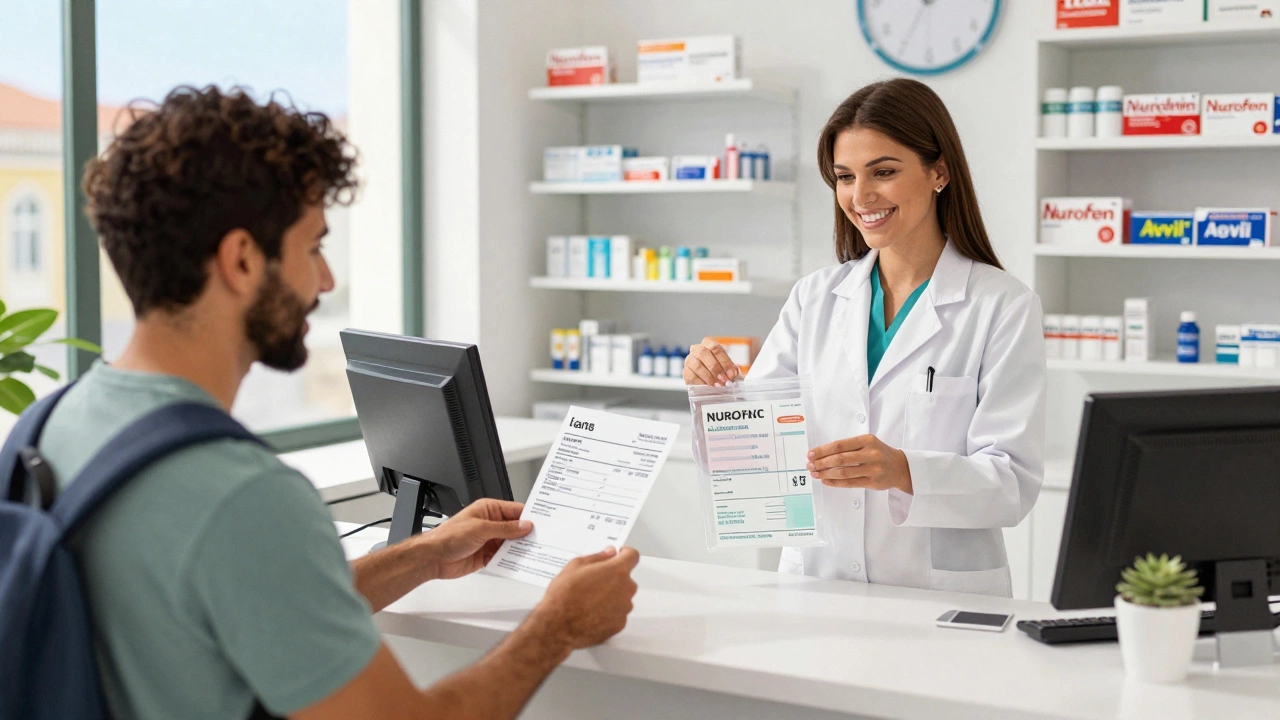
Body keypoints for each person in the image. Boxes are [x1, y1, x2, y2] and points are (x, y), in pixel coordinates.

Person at [39, 85, 639, 720]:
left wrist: (425, 554)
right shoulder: (242, 497)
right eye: (313, 247)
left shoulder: (53, 426)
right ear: (241, 260)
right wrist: (558, 626)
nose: (324, 280)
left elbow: (254, 599)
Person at [683, 78, 1045, 598]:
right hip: (816, 584)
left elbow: (1012, 484)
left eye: (884, 172)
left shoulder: (1002, 306)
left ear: (939, 172)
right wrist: (714, 397)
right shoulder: (815, 298)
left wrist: (903, 470)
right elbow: (750, 461)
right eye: (845, 177)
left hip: (938, 598)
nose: (860, 196)